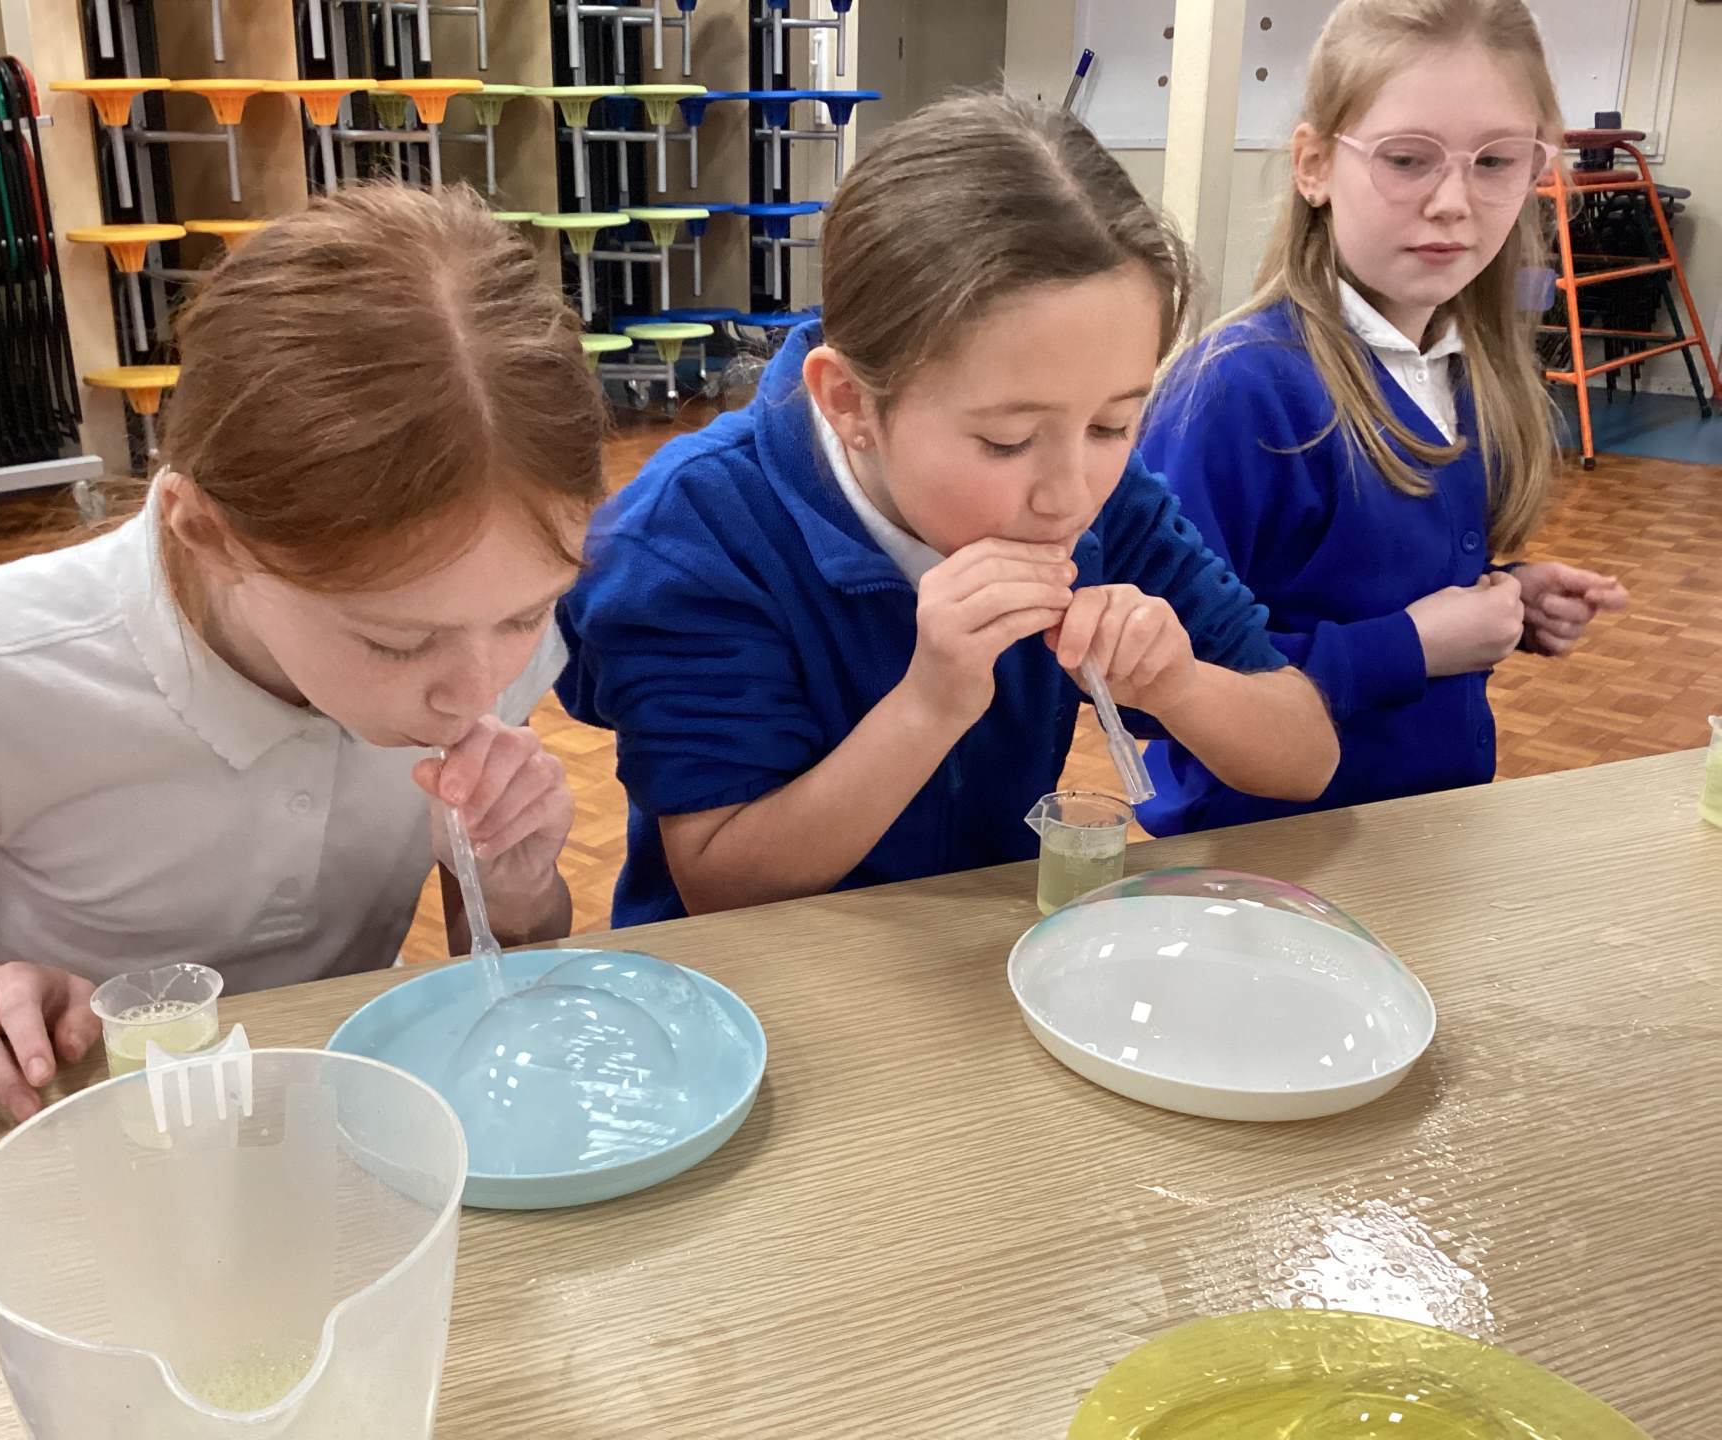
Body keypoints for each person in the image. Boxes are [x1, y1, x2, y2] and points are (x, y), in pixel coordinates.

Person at [0, 184, 607, 1119]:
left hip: (331, 1112)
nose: (473, 691)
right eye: (396, 642)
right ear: (207, 534)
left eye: (526, 616)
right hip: (72, 1122)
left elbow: (495, 955)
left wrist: (515, 891)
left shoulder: (478, 616)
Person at [557, 94, 1340, 925]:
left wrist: (1180, 684)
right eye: (1007, 441)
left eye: (1112, 424)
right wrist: (928, 705)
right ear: (850, 402)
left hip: (975, 958)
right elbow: (725, 886)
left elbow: (1307, 757)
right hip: (757, 981)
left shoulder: (1113, 502)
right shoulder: (691, 533)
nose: (1071, 495)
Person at [1138, 0, 1628, 834]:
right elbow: (1149, 680)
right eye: (1406, 159)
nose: (1453, 202)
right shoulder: (1239, 390)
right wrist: (1411, 647)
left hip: (1428, 838)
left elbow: (1361, 579)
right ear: (1315, 166)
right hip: (1261, 854)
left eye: (1496, 161)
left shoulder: (1474, 370)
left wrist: (1505, 595)